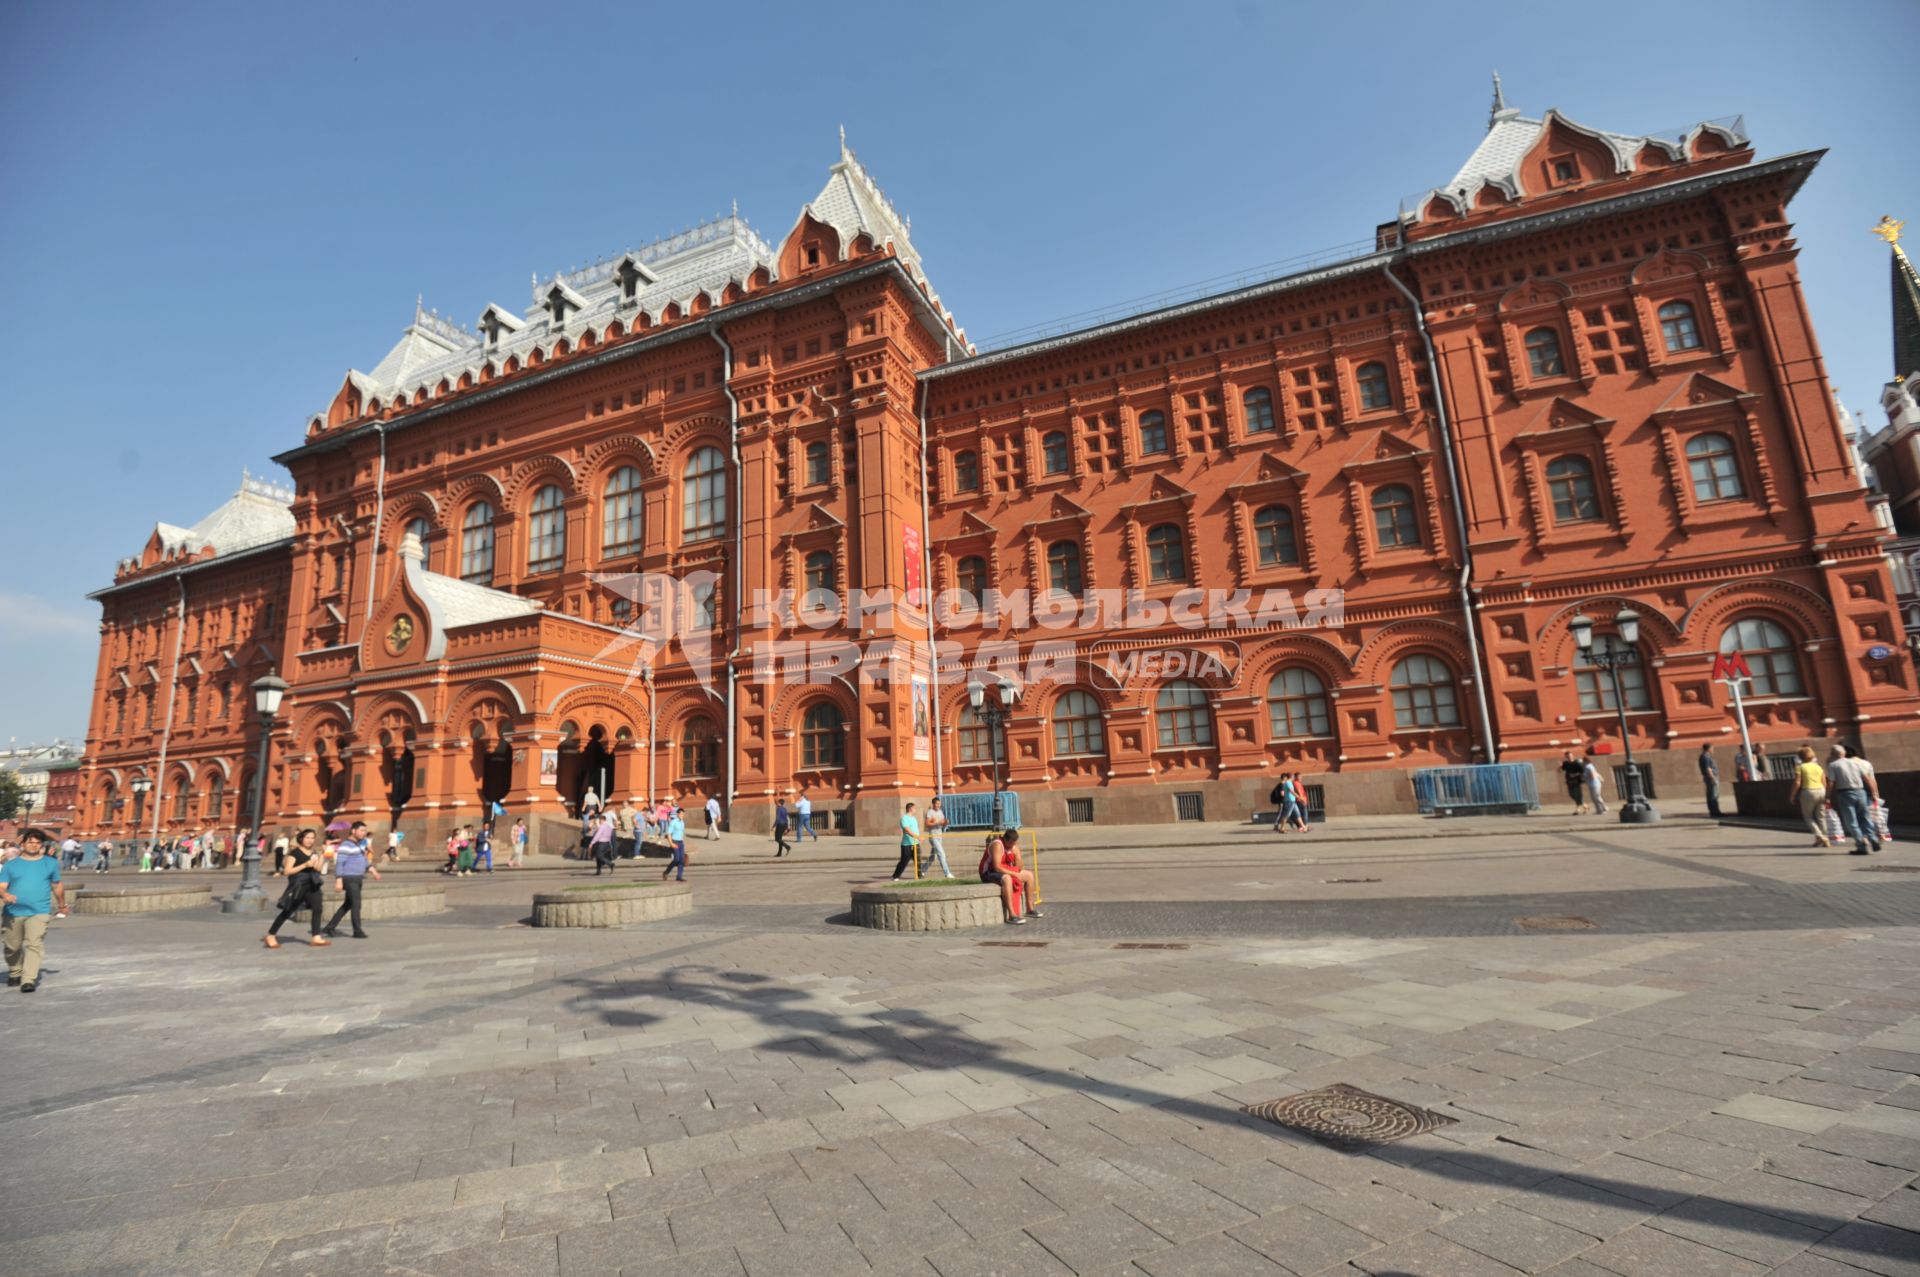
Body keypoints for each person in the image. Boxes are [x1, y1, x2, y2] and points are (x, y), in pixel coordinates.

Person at [2, 829, 66, 992]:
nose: (34, 845)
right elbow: (1, 886)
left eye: (37, 842)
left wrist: (62, 904)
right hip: (13, 911)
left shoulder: (50, 863)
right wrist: (5, 894)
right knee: (12, 947)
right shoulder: (11, 865)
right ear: (22, 844)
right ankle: (15, 971)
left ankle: (28, 979)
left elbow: (56, 885)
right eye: (30, 842)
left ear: (41, 845)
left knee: (34, 944)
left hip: (39, 910)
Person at [263, 828, 329, 949]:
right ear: (301, 839)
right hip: (299, 885)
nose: (310, 840)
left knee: (318, 908)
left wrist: (322, 856)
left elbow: (318, 869)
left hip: (313, 884)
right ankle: (271, 935)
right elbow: (287, 871)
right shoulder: (295, 853)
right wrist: (304, 865)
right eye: (307, 837)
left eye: (312, 838)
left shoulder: (314, 852)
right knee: (288, 910)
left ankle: (316, 936)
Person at [322, 820, 381, 939]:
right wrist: (339, 879)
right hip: (349, 878)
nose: (364, 833)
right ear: (353, 831)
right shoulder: (346, 845)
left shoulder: (359, 844)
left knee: (348, 904)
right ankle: (357, 931)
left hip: (358, 877)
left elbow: (363, 859)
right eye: (361, 830)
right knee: (356, 904)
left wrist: (372, 870)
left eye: (365, 830)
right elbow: (340, 863)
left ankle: (330, 927)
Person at [1825, 744, 1882, 855]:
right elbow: (1867, 778)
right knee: (1864, 817)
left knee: (1851, 821)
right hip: (1861, 792)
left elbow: (1831, 782)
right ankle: (1873, 838)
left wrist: (1827, 796)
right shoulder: (1855, 763)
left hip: (1845, 793)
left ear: (1832, 754)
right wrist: (1874, 792)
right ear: (1844, 753)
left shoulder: (1833, 765)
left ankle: (1861, 845)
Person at [979, 827, 1042, 925]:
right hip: (988, 872)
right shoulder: (997, 845)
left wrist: (1016, 855)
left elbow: (1019, 867)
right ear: (1006, 840)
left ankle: (1030, 908)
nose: (1014, 845)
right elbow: (997, 867)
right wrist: (1014, 874)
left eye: (1015, 843)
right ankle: (1012, 915)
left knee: (1029, 875)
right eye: (1012, 843)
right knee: (1007, 879)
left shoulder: (1013, 846)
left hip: (1005, 869)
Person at [1788, 744, 1829, 848]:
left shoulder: (1800, 767)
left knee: (1808, 817)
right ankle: (1824, 839)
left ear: (1800, 757)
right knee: (1821, 817)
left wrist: (1792, 796)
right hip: (1821, 791)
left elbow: (1797, 782)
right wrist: (1826, 794)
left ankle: (1820, 836)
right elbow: (1824, 781)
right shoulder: (1818, 767)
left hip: (1808, 792)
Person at [922, 797, 953, 879]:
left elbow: (942, 823)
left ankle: (922, 870)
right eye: (937, 804)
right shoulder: (930, 812)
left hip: (939, 836)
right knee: (941, 854)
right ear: (933, 804)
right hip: (933, 836)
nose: (938, 805)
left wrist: (946, 822)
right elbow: (927, 824)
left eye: (939, 804)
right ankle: (947, 873)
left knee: (933, 857)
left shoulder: (940, 812)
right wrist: (936, 822)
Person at [893, 802, 921, 881]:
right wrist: (918, 837)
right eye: (914, 808)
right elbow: (907, 830)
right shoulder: (904, 818)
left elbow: (915, 829)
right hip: (907, 844)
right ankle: (895, 876)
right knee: (904, 861)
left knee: (917, 860)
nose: (915, 810)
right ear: (910, 808)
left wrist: (918, 838)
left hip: (915, 843)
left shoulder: (914, 818)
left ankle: (919, 876)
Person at [662, 807, 687, 881]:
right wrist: (671, 843)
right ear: (677, 814)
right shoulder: (673, 822)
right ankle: (666, 872)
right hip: (674, 842)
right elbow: (669, 833)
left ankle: (679, 877)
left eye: (683, 814)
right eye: (681, 814)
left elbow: (682, 833)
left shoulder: (682, 822)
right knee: (676, 859)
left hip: (681, 842)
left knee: (681, 860)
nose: (682, 815)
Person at [1698, 744, 1722, 819]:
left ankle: (1714, 811)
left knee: (1712, 794)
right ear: (1708, 749)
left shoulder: (1704, 756)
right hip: (1711, 777)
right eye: (1712, 748)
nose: (1713, 750)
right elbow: (1708, 769)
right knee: (1713, 795)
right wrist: (1712, 778)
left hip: (1709, 777)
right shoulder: (1706, 757)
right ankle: (1715, 811)